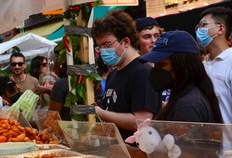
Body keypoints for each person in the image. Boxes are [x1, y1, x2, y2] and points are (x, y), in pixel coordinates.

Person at [91, 9, 162, 140]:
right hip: (117, 151)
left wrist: (100, 113)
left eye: (107, 45)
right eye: (100, 47)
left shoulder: (142, 72)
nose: (103, 51)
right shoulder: (114, 74)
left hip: (136, 155)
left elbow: (141, 122)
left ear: (126, 42)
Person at [139, 30, 223, 123]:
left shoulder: (188, 107)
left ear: (181, 65)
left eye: (162, 64)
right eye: (155, 64)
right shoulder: (187, 97)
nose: (156, 69)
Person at [195, 6, 232, 124]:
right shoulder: (201, 66)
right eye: (198, 26)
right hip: (209, 141)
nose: (198, 30)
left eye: (203, 25)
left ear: (220, 29)